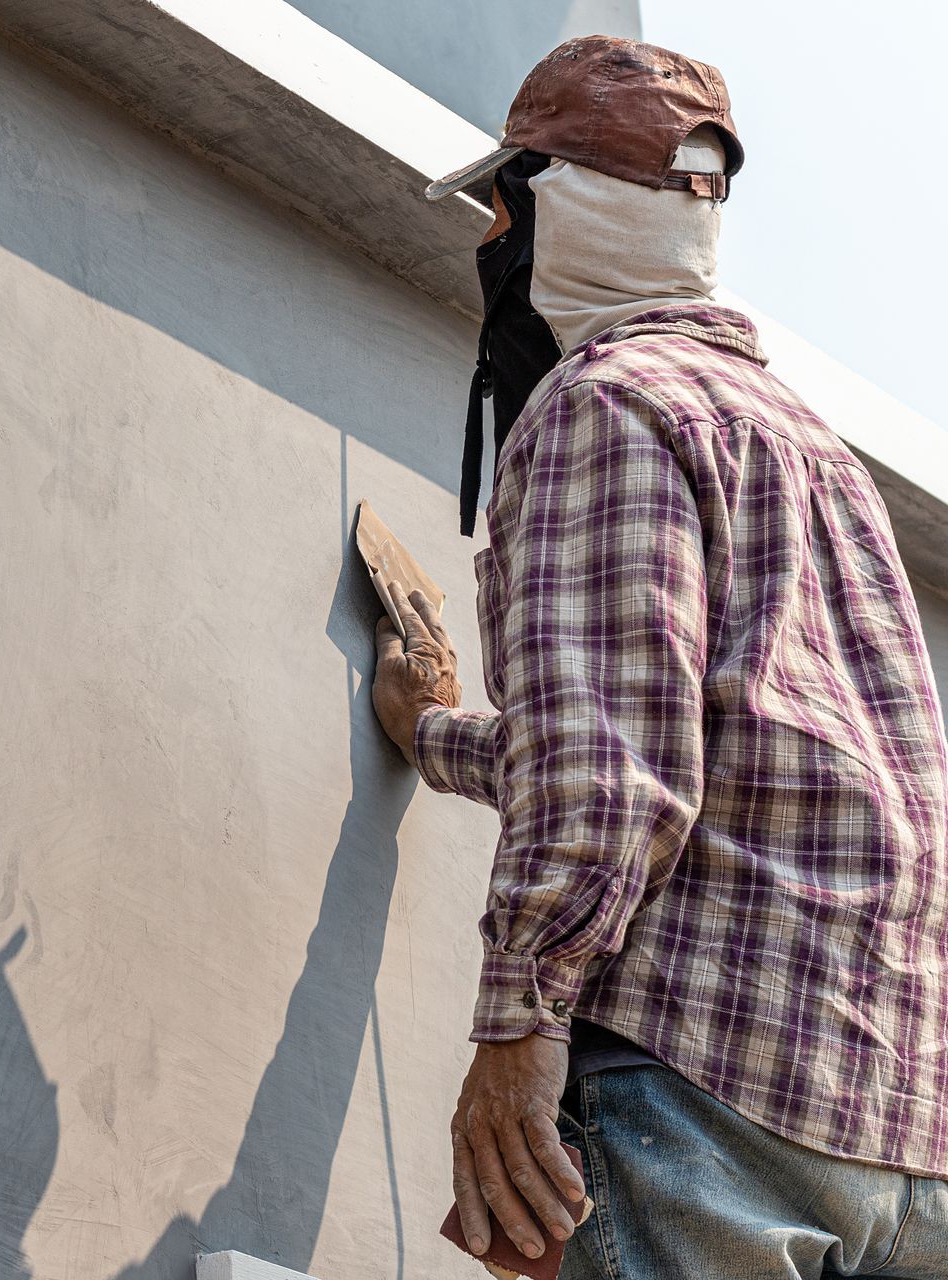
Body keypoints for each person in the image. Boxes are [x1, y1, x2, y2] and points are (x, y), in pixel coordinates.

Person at [371, 35, 948, 1279]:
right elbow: (709, 741)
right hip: (900, 1129)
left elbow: (614, 771)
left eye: (497, 209)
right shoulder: (816, 452)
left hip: (708, 1096)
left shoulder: (607, 403)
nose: (486, 246)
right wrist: (433, 733)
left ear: (546, 212)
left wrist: (519, 1024)